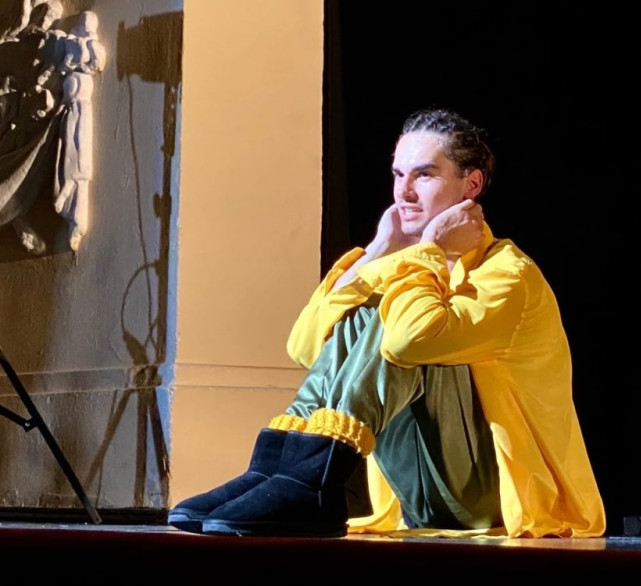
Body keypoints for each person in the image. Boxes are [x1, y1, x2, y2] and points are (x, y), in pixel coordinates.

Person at [167, 107, 607, 539]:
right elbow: (306, 347)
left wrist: (430, 247)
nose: (404, 193)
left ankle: (311, 480)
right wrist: (379, 249)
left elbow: (409, 341)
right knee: (367, 310)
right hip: (419, 496)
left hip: (496, 499)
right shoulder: (407, 264)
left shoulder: (507, 274)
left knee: (402, 321)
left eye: (424, 175)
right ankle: (273, 470)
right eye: (398, 175)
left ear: (471, 185)